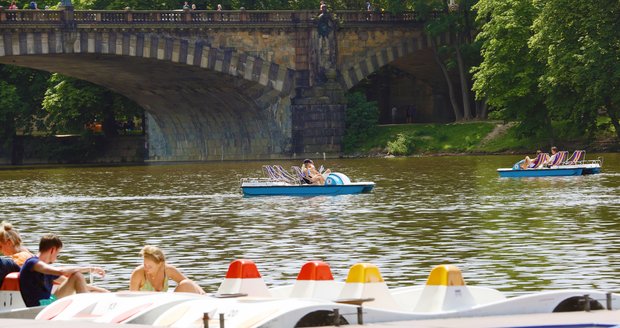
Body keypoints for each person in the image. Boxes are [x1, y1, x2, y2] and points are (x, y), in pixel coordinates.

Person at [19, 233, 108, 307]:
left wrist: (102, 290)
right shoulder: (32, 263)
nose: (56, 259)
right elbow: (61, 271)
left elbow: (71, 281)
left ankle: (89, 303)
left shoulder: (47, 269)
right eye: (58, 254)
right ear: (52, 250)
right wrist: (90, 269)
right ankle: (87, 307)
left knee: (77, 276)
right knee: (77, 275)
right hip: (39, 307)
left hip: (49, 302)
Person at [130, 245, 204, 294]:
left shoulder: (168, 270)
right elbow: (132, 299)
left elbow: (190, 283)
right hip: (146, 308)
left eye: (150, 266)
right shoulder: (138, 273)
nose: (146, 268)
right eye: (144, 264)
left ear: (160, 264)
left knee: (186, 284)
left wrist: (203, 293)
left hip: (164, 306)